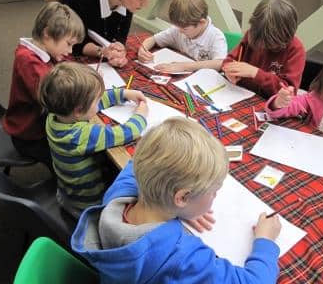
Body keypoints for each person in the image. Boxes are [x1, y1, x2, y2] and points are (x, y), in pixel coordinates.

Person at [71, 117, 281, 283]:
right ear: (182, 197)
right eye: (213, 191)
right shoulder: (181, 258)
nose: (215, 196)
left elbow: (138, 162)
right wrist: (265, 241)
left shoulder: (116, 197)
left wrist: (178, 210)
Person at [38, 62, 148, 217]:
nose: (99, 102)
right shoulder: (80, 136)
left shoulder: (55, 116)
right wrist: (141, 115)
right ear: (78, 111)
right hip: (87, 205)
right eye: (96, 101)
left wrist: (123, 94)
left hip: (66, 194)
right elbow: (127, 132)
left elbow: (88, 106)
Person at [2, 2, 84, 169]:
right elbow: (54, 99)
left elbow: (64, 63)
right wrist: (84, 85)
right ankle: (67, 189)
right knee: (71, 157)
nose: (70, 51)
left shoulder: (47, 50)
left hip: (38, 125)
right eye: (69, 44)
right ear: (47, 34)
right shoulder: (28, 61)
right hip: (29, 135)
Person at [222, 0, 306, 98]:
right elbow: (229, 60)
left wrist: (256, 73)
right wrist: (229, 71)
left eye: (269, 45)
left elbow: (288, 91)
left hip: (269, 104)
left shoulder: (296, 50)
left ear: (284, 37)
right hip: (239, 94)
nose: (262, 48)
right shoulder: (252, 34)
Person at [137, 0, 227, 72]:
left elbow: (220, 63)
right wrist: (143, 50)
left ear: (201, 23)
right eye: (178, 27)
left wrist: (184, 66)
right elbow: (154, 39)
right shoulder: (179, 29)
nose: (180, 32)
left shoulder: (216, 37)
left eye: (184, 29)